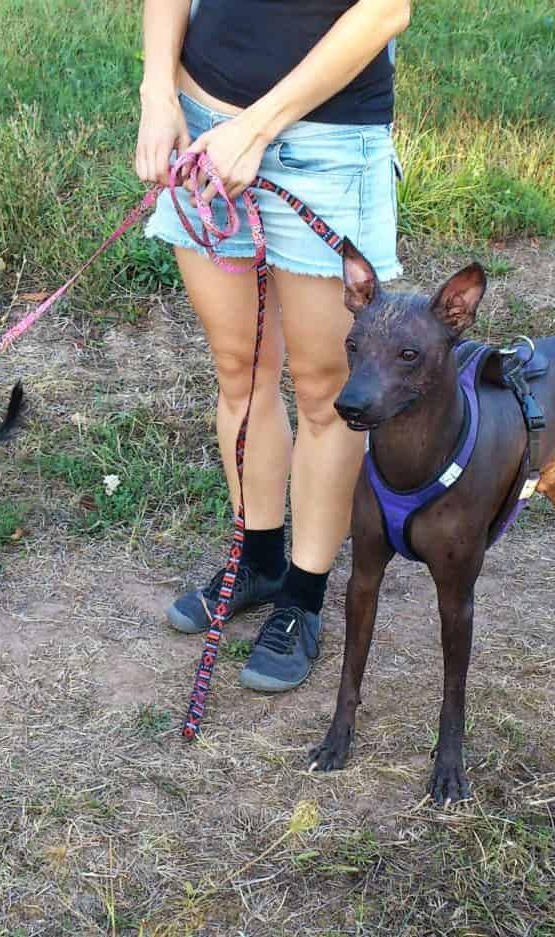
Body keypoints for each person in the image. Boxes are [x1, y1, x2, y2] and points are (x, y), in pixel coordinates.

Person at [135, 0, 411, 691]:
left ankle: (303, 597)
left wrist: (254, 129)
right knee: (239, 370)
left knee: (325, 390)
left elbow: (384, 12)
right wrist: (157, 90)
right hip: (201, 125)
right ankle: (257, 561)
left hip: (327, 146)